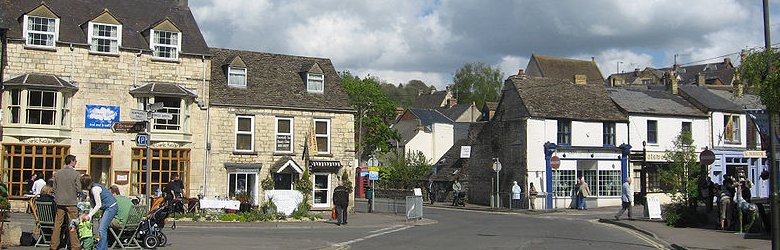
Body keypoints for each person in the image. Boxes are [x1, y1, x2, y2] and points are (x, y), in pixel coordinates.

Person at [51, 154, 82, 250]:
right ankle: (75, 245)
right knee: (72, 223)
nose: (76, 162)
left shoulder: (57, 173)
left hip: (60, 202)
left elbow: (54, 189)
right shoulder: (76, 174)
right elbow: (79, 189)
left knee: (57, 224)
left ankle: (53, 245)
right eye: (75, 160)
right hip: (71, 202)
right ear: (71, 161)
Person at [79, 174, 118, 250]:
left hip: (111, 207)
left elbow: (98, 205)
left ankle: (100, 248)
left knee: (102, 228)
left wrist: (89, 216)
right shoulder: (91, 190)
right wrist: (89, 216)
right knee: (102, 228)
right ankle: (103, 247)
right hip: (107, 207)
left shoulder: (95, 189)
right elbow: (92, 206)